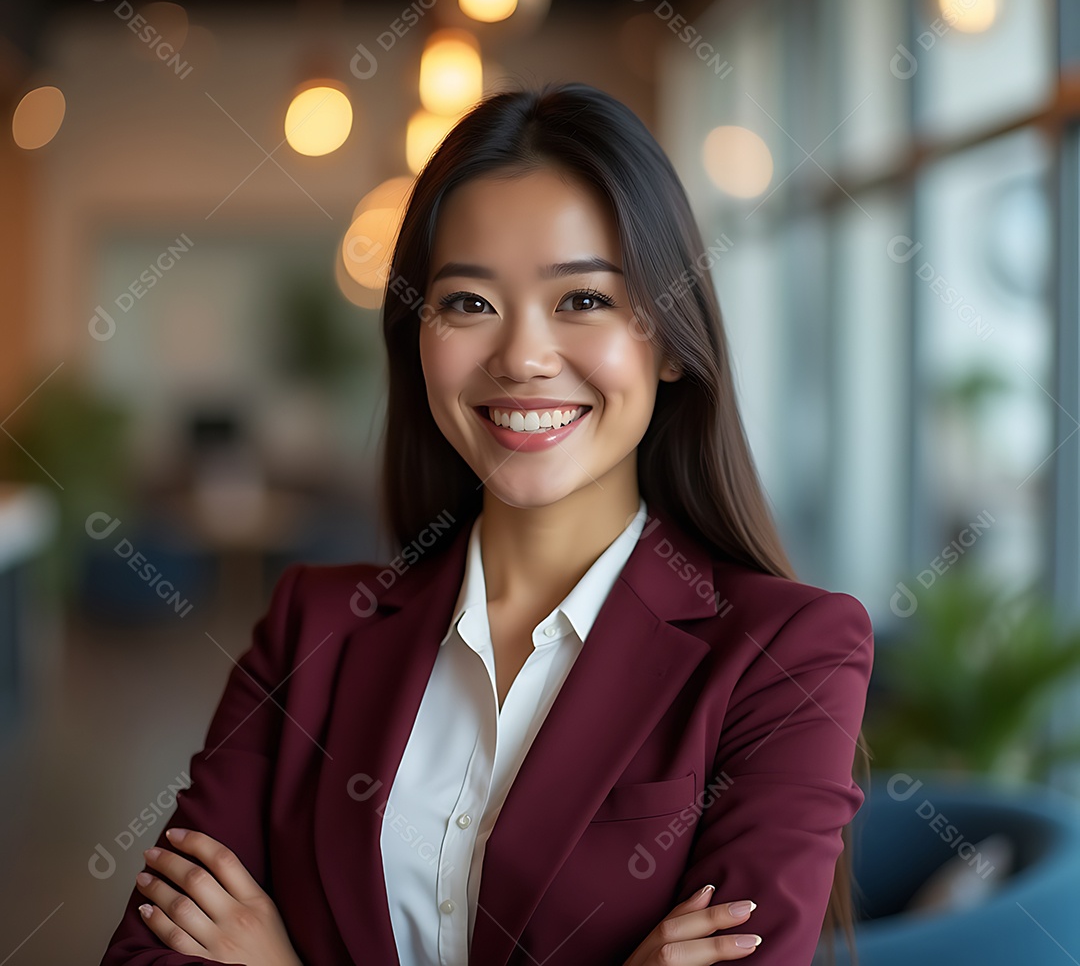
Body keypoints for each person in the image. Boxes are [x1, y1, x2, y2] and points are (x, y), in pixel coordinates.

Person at [98, 81, 873, 966]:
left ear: (666, 340)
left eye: (583, 299)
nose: (523, 358)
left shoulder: (788, 654)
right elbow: (146, 953)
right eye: (469, 303)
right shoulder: (311, 628)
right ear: (418, 338)